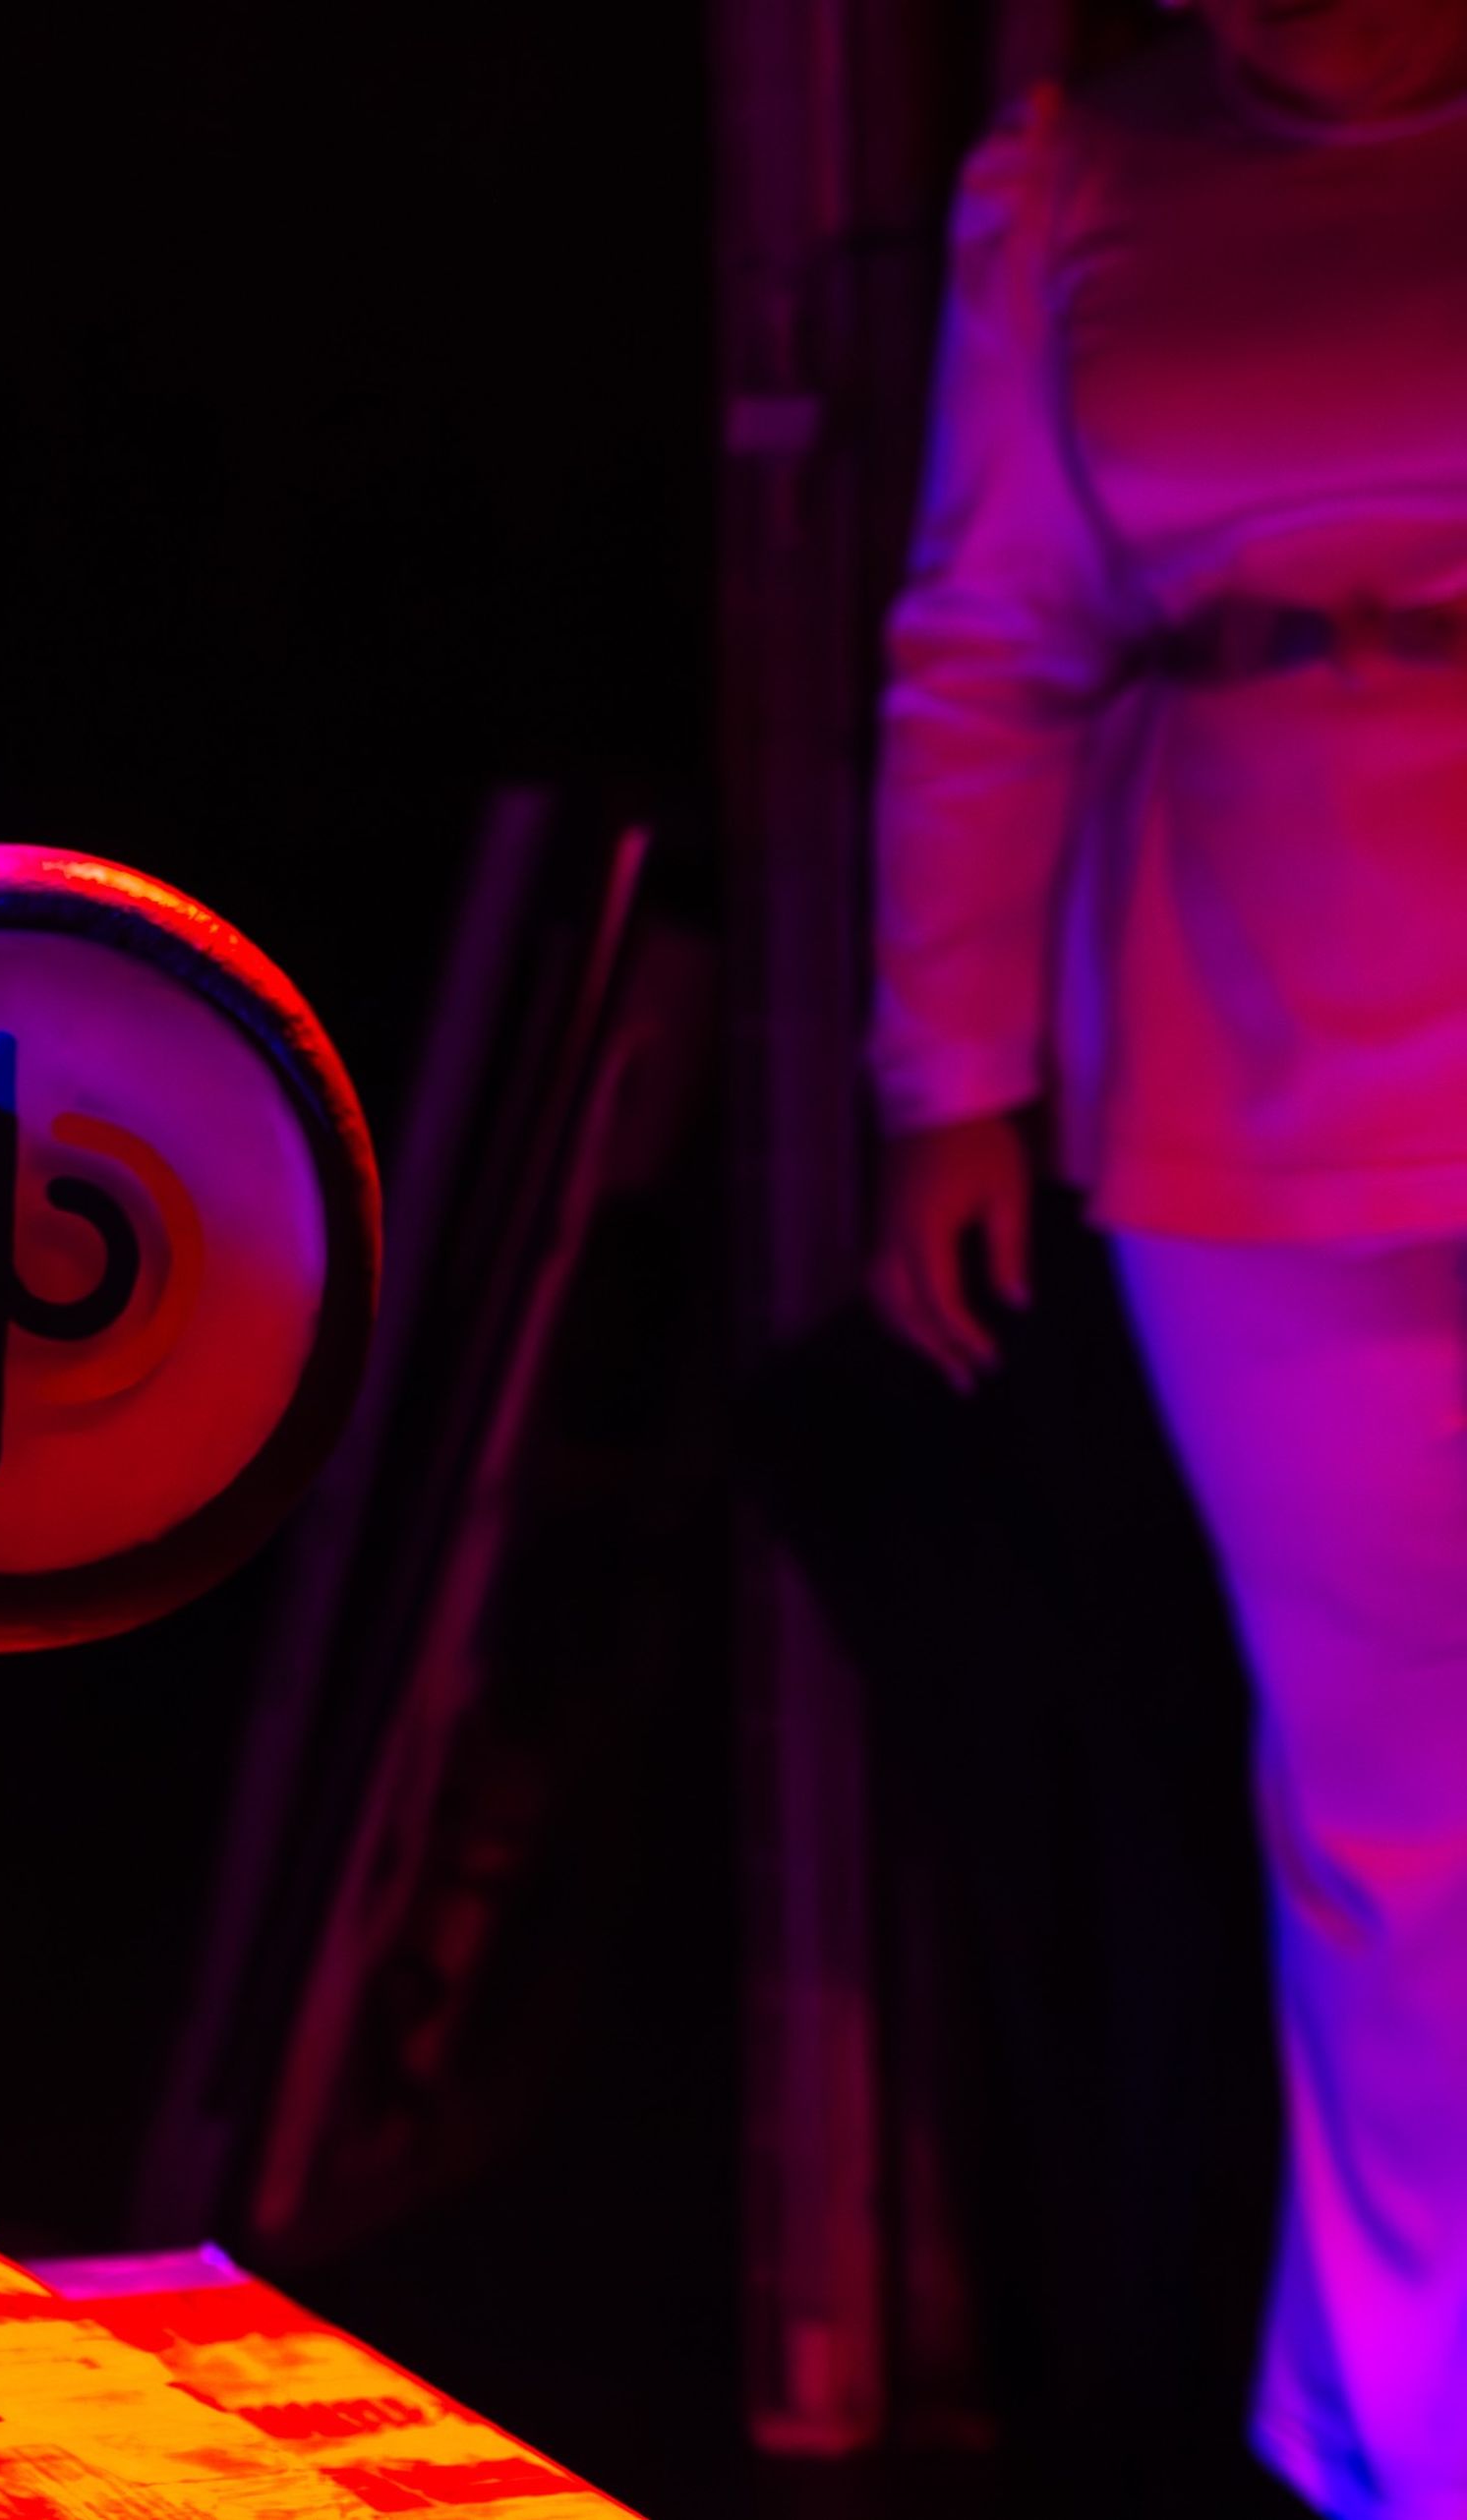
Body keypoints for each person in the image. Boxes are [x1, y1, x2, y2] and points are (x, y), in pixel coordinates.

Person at [866, 1, 1467, 2509]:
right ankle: (1391, 2441)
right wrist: (945, 1083)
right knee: (1386, 1806)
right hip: (1261, 1063)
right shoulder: (1076, 183)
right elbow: (983, 645)